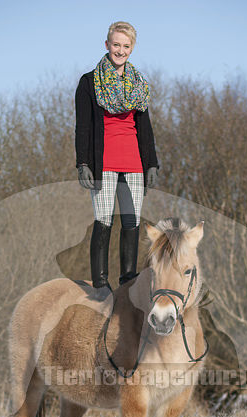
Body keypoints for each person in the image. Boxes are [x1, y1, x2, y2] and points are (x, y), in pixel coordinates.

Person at [75, 21, 159, 299]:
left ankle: (127, 278)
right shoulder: (89, 82)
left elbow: (145, 128)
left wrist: (152, 164)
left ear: (131, 49)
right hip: (103, 162)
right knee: (103, 220)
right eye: (116, 44)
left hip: (134, 160)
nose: (120, 50)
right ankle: (99, 282)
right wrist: (83, 163)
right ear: (107, 45)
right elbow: (83, 127)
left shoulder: (139, 85)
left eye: (125, 46)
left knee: (132, 221)